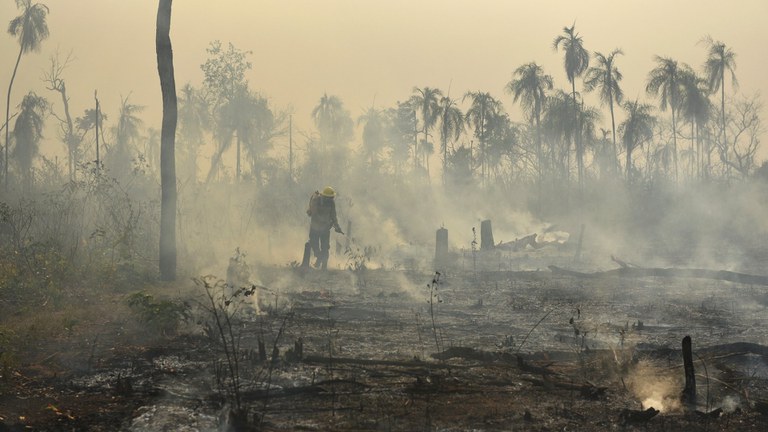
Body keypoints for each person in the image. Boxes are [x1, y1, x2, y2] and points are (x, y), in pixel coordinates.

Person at [306, 186, 344, 269]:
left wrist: (337, 227)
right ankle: (319, 257)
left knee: (325, 247)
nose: (331, 199)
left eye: (332, 198)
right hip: (315, 227)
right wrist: (324, 221)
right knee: (314, 243)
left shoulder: (331, 203)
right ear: (325, 196)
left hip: (325, 229)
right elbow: (313, 213)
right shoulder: (316, 200)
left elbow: (333, 215)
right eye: (330, 198)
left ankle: (324, 267)